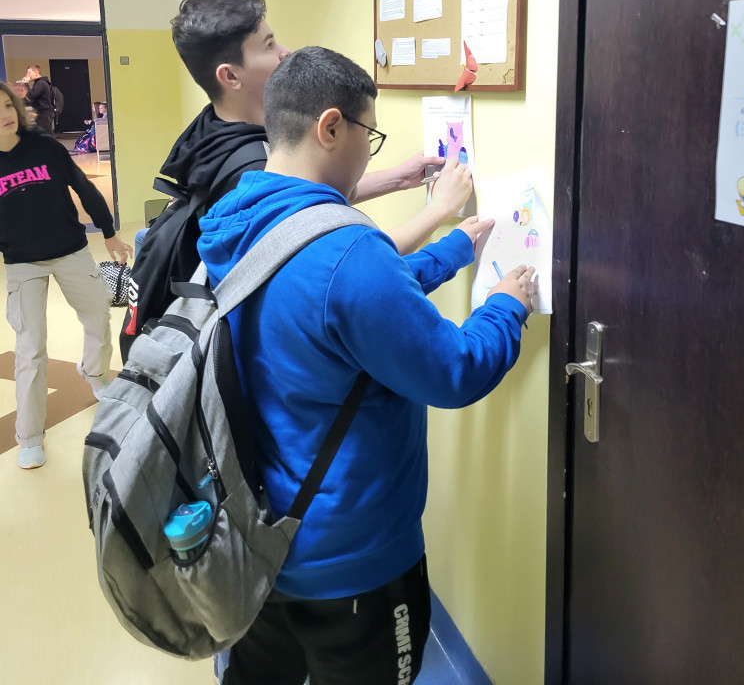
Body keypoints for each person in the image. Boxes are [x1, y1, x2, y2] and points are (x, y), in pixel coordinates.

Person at [198, 46, 536, 685]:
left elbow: (337, 312)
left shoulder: (240, 217)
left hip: (260, 538)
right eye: (369, 135)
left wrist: (452, 249)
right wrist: (504, 307)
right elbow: (455, 370)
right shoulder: (347, 250)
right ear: (331, 127)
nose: (369, 152)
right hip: (353, 560)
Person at [121, 0, 468, 358]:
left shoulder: (214, 128)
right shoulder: (248, 174)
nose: (285, 52)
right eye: (269, 45)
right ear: (231, 75)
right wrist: (439, 210)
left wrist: (397, 178)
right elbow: (337, 264)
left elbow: (307, 196)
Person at [0, 82, 132, 469]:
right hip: (23, 263)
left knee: (98, 315)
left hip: (71, 251)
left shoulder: (46, 148)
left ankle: (94, 372)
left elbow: (84, 188)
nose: (4, 115)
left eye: (6, 105)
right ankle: (29, 436)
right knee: (30, 349)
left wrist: (108, 231)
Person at [22, 64, 54, 134]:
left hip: (44, 113)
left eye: (29, 72)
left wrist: (26, 84)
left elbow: (31, 95)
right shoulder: (39, 83)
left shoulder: (41, 83)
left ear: (36, 73)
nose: (27, 75)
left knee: (46, 134)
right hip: (42, 112)